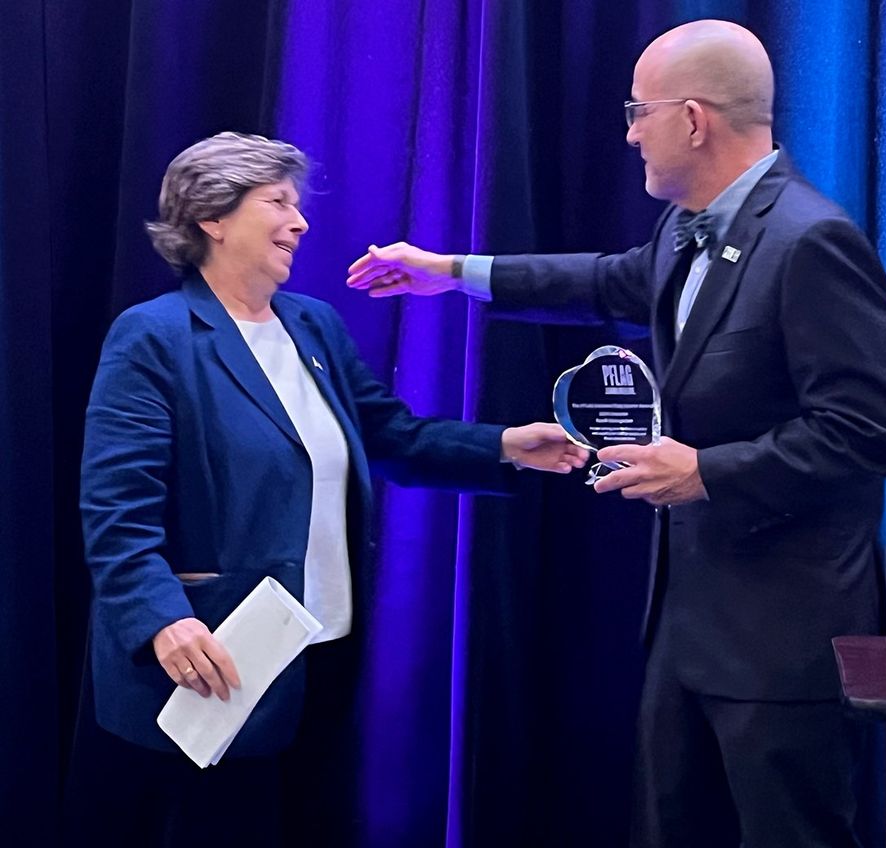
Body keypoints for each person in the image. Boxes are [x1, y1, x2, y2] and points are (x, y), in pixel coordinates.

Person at [346, 19, 886, 848]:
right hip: (685, 636)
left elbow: (873, 429)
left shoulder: (809, 241)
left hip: (778, 647)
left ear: (693, 119)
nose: (627, 132)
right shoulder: (690, 232)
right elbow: (603, 280)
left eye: (638, 110)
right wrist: (450, 273)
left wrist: (706, 472)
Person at [75, 131, 587, 847]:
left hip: (323, 648)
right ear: (213, 220)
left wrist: (506, 447)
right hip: (217, 658)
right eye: (278, 203)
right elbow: (116, 507)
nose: (300, 221)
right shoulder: (154, 336)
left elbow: (393, 437)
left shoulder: (312, 324)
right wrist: (161, 618)